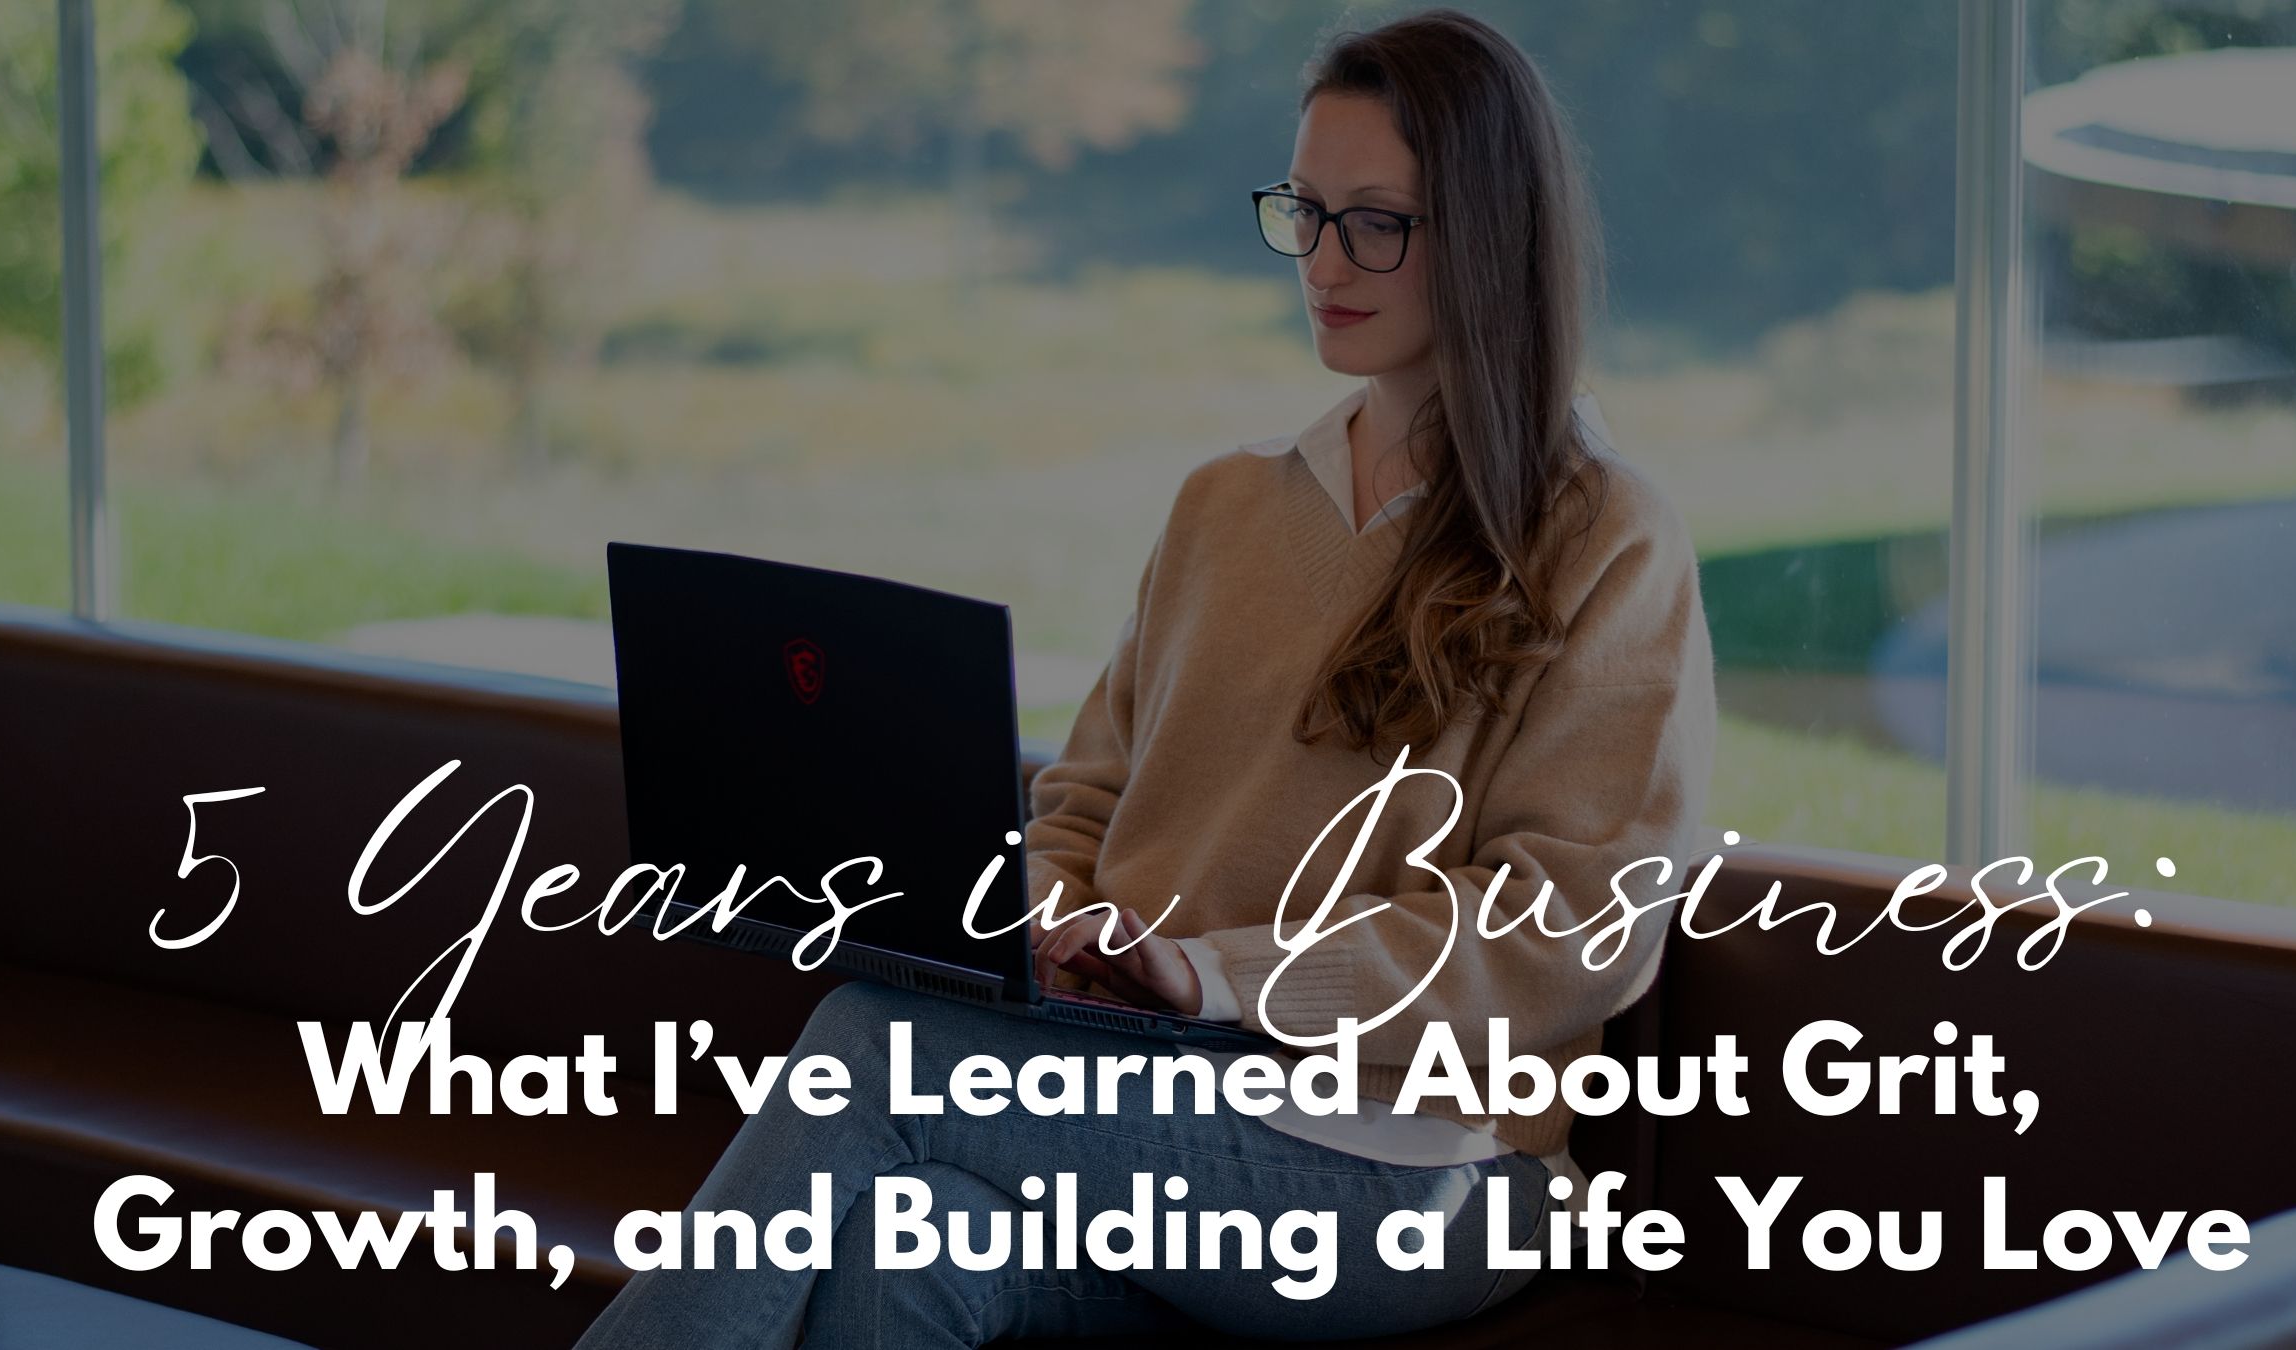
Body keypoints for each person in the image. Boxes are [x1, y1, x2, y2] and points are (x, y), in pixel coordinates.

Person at [572, 9, 1715, 1346]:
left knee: (872, 1044)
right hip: (1144, 1091)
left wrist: (1215, 974)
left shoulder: (1603, 535)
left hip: (1424, 1163)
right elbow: (1080, 806)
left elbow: (1577, 927)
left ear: (1487, 235)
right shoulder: (1222, 507)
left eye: (1377, 223)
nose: (1324, 261)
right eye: (1305, 211)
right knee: (904, 1261)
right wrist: (1050, 936)